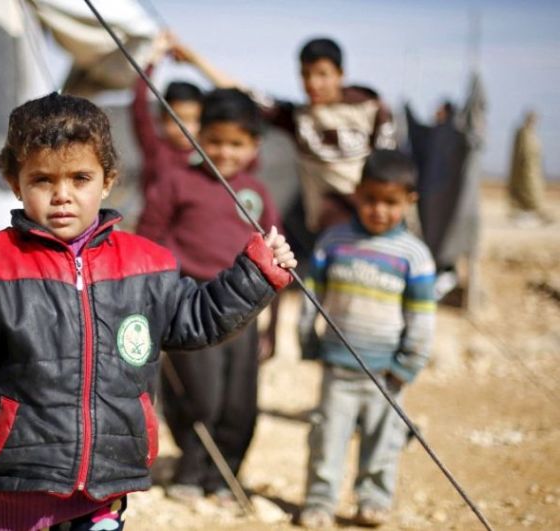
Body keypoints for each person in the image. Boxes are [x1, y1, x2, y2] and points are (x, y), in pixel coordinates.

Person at [0, 92, 296, 531]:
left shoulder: (146, 266)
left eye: (80, 178)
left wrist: (256, 274)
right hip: (16, 489)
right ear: (13, 179)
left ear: (109, 179)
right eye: (43, 179)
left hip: (105, 486)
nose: (62, 196)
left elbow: (199, 317)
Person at [136, 88, 284, 504]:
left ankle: (225, 476)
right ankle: (191, 467)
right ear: (198, 135)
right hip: (191, 306)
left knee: (239, 403)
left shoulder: (257, 194)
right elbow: (148, 242)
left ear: (254, 145)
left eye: (237, 143)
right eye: (215, 140)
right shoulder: (177, 182)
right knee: (198, 395)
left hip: (245, 312)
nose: (225, 151)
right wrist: (154, 304)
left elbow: (276, 259)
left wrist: (272, 326)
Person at [298, 150, 436, 528]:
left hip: (387, 373)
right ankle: (319, 501)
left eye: (391, 203)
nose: (379, 210)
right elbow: (312, 294)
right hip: (338, 367)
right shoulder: (333, 241)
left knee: (384, 443)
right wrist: (307, 338)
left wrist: (408, 364)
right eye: (371, 199)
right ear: (357, 193)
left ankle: (373, 499)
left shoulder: (414, 255)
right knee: (327, 439)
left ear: (410, 201)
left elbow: (422, 318)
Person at [261, 37, 396, 237]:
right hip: (329, 227)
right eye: (306, 74)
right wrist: (198, 62)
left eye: (322, 74)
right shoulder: (300, 119)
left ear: (340, 74)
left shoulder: (370, 109)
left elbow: (389, 169)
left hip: (374, 223)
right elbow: (247, 96)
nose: (313, 83)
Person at [131, 32, 237, 195]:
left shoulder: (212, 154)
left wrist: (193, 61)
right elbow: (139, 104)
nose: (185, 128)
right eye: (176, 119)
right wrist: (154, 58)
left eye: (194, 120)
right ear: (161, 120)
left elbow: (235, 99)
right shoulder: (156, 148)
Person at [508, 110, 548, 225]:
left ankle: (535, 214)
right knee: (527, 191)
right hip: (523, 170)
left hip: (533, 169)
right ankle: (525, 214)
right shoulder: (522, 133)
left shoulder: (532, 133)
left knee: (535, 191)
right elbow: (521, 152)